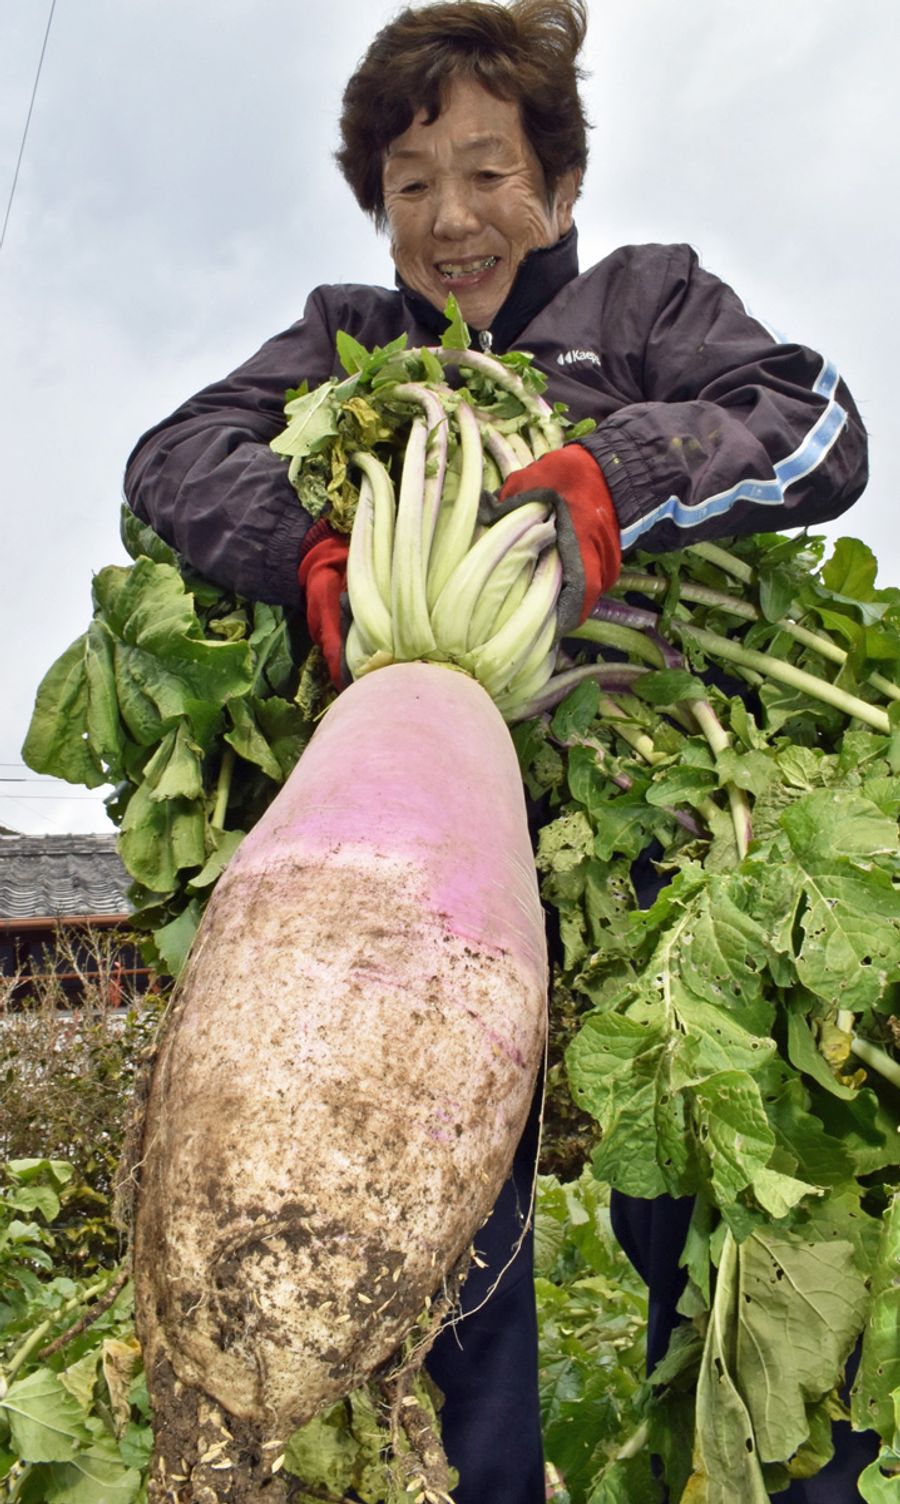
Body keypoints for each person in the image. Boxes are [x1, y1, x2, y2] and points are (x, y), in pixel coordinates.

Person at [123, 3, 871, 1500]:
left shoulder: (648, 305)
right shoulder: (357, 336)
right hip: (422, 852)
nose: (450, 219)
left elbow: (813, 425)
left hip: (654, 810)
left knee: (713, 1170)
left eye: (486, 172)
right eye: (411, 186)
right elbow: (171, 460)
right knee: (432, 1222)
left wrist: (621, 472)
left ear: (562, 187)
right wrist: (315, 551)